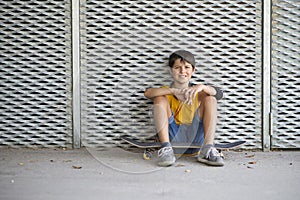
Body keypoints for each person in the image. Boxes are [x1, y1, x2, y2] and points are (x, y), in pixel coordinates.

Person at [144, 50, 224, 167]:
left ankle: (208, 149)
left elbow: (219, 93)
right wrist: (173, 91)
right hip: (173, 141)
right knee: (159, 98)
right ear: (171, 70)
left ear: (193, 70)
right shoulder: (166, 91)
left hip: (196, 140)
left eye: (187, 67)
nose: (182, 71)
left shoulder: (199, 91)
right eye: (177, 67)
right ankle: (166, 148)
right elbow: (148, 93)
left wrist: (202, 87)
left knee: (210, 99)